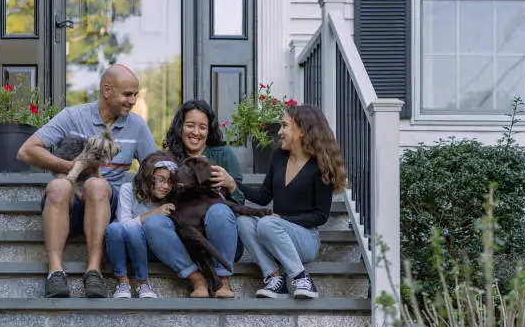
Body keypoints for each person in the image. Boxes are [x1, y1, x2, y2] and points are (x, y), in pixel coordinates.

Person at [17, 64, 158, 298]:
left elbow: (154, 168)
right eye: (127, 94)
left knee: (96, 185)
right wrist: (70, 166)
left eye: (135, 94)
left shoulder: (137, 125)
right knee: (59, 185)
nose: (132, 101)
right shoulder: (73, 116)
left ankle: (94, 272)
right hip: (67, 206)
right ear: (106, 90)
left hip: (103, 201)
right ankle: (55, 272)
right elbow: (26, 151)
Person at [212, 105, 346, 299]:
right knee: (242, 222)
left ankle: (301, 278)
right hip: (274, 230)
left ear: (302, 130)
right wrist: (234, 185)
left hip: (306, 239)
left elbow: (320, 216)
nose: (280, 132)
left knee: (267, 223)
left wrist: (283, 220)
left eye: (284, 126)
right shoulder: (279, 157)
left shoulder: (320, 166)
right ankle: (274, 279)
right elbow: (263, 196)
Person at [143, 99, 244, 298]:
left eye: (202, 127)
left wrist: (231, 184)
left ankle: (223, 280)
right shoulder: (168, 158)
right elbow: (154, 196)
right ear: (181, 127)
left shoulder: (223, 155)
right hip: (184, 240)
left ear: (209, 130)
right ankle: (196, 279)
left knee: (220, 210)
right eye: (190, 125)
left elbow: (240, 202)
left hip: (220, 237)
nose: (195, 132)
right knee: (153, 222)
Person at [105, 151, 178, 299]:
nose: (165, 186)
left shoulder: (170, 198)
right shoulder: (128, 189)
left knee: (134, 230)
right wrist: (154, 213)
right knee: (114, 228)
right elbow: (124, 223)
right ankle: (123, 281)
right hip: (121, 246)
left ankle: (142, 282)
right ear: (148, 176)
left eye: (170, 182)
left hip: (148, 249)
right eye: (161, 179)